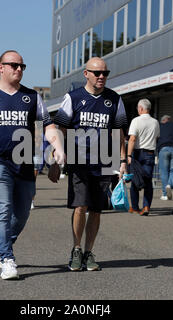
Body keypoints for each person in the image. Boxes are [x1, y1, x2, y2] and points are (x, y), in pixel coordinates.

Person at [0, 50, 65, 280]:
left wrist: (58, 149)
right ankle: (7, 258)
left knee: (23, 212)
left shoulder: (32, 97)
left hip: (25, 163)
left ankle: (4, 242)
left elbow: (48, 126)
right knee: (3, 208)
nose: (19, 69)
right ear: (1, 67)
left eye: (22, 66)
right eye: (14, 65)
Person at [54, 57, 128, 272]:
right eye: (97, 73)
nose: (102, 76)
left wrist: (122, 160)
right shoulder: (73, 98)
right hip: (79, 161)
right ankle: (76, 249)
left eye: (105, 72)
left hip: (105, 161)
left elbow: (119, 132)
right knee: (80, 206)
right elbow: (61, 129)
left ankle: (89, 252)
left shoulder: (114, 99)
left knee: (96, 210)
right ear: (86, 74)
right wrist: (56, 159)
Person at [127, 99, 160, 216]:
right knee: (148, 180)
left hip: (137, 153)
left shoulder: (136, 121)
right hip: (150, 153)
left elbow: (132, 139)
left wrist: (128, 155)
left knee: (135, 179)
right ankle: (146, 206)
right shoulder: (155, 122)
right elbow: (156, 138)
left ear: (140, 108)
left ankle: (135, 207)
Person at [157, 115, 173, 201]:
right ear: (169, 119)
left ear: (163, 121)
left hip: (163, 149)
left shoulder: (160, 127)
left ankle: (165, 194)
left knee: (164, 172)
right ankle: (170, 185)